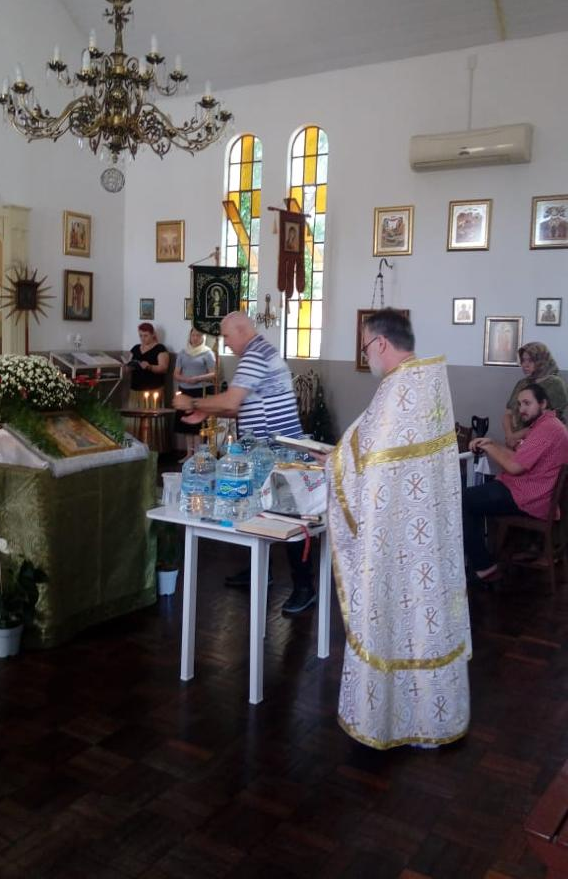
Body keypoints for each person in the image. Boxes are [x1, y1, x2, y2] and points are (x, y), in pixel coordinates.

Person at [318, 309, 470, 750]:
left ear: (381, 343)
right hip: (428, 535)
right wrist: (342, 457)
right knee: (426, 619)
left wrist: (333, 464)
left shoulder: (399, 389)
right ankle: (433, 716)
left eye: (366, 346)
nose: (367, 355)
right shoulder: (428, 382)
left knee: (396, 621)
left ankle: (396, 720)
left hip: (396, 541)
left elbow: (363, 462)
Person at [174, 311, 314, 614]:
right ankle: (260, 571)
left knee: (290, 517)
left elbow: (231, 401)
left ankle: (305, 587)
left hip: (278, 451)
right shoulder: (259, 352)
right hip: (263, 451)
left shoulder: (255, 355)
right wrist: (206, 411)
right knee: (256, 509)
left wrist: (192, 402)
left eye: (227, 336)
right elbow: (241, 407)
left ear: (240, 331)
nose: (226, 343)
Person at [463, 382, 568, 584]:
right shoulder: (546, 425)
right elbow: (518, 457)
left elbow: (514, 467)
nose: (521, 409)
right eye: (519, 404)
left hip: (530, 497)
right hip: (527, 490)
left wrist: (489, 449)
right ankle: (482, 559)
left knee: (465, 499)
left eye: (527, 403)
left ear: (543, 403)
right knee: (472, 494)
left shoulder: (548, 429)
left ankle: (483, 566)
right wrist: (491, 443)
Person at [503, 342, 567, 449]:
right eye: (523, 360)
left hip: (542, 443)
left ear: (542, 361)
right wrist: (509, 436)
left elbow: (551, 421)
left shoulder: (555, 384)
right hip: (516, 443)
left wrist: (517, 436)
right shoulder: (522, 383)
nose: (525, 365)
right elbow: (508, 413)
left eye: (530, 360)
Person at [174, 327, 216, 459]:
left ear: (203, 337)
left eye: (198, 335)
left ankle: (198, 454)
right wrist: (185, 379)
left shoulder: (207, 353)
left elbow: (214, 373)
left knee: (198, 424)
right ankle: (189, 453)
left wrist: (198, 378)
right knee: (186, 423)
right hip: (185, 390)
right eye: (193, 335)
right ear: (190, 336)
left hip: (201, 390)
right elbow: (176, 374)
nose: (195, 338)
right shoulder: (183, 353)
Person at [126, 323, 169, 409]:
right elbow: (128, 363)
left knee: (151, 413)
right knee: (135, 413)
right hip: (136, 388)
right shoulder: (135, 348)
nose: (143, 338)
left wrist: (150, 367)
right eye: (140, 336)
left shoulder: (160, 348)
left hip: (153, 389)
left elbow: (164, 368)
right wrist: (128, 367)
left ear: (153, 335)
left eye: (146, 335)